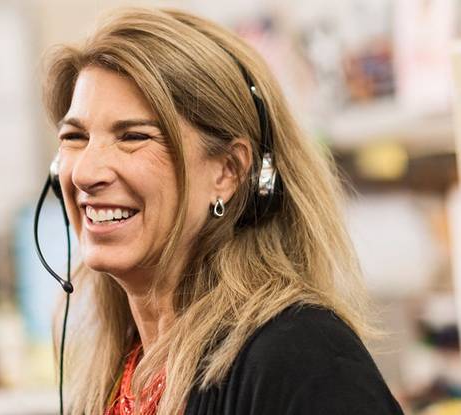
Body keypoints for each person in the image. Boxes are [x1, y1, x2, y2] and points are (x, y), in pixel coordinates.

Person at [41, 7, 404, 415]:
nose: (86, 172)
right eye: (75, 137)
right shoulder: (120, 367)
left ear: (228, 171)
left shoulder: (304, 360)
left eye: (133, 136)